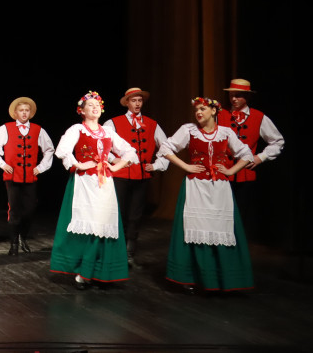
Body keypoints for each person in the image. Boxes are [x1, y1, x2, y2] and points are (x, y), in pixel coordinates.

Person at [160, 97, 255, 293]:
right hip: (196, 186)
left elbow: (246, 154)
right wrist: (186, 166)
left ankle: (224, 278)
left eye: (203, 109)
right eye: (197, 110)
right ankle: (191, 277)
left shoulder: (226, 133)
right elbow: (165, 148)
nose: (199, 112)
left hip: (219, 188)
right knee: (194, 228)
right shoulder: (189, 130)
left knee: (222, 228)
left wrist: (231, 171)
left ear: (214, 111)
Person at [49, 91, 138, 289]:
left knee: (103, 226)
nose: (95, 107)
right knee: (88, 225)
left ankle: (98, 270)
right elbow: (62, 150)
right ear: (81, 111)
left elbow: (130, 151)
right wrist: (79, 164)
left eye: (97, 104)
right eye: (90, 105)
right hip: (84, 182)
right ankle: (83, 271)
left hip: (104, 183)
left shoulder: (107, 131)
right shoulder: (77, 129)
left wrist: (115, 166)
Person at [104, 87, 169, 265]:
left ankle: (130, 251)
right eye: (133, 100)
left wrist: (156, 165)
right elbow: (102, 147)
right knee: (119, 212)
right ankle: (116, 249)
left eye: (140, 100)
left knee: (135, 214)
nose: (137, 103)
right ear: (127, 103)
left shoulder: (151, 124)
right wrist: (115, 160)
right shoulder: (113, 123)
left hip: (142, 176)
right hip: (121, 175)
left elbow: (166, 147)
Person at [0, 97, 55, 255]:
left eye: (26, 110)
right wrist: (2, 164)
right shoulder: (6, 128)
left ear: (30, 113)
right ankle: (13, 244)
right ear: (15, 113)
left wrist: (40, 168)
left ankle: (22, 237)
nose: (24, 113)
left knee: (30, 209)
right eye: (21, 110)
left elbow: (49, 150)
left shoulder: (38, 130)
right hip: (12, 177)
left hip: (30, 176)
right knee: (14, 210)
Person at [218, 78, 285, 235]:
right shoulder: (220, 115)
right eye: (231, 95)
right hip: (222, 173)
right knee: (221, 215)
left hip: (244, 175)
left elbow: (278, 141)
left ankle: (236, 252)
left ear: (247, 97)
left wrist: (260, 157)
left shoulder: (258, 117)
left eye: (238, 95)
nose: (233, 99)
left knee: (240, 216)